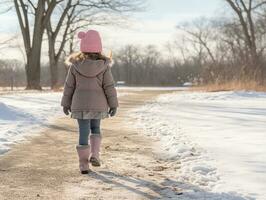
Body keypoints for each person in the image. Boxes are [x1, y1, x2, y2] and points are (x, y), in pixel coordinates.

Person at [61, 30, 118, 174]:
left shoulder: (75, 66)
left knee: (83, 132)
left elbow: (69, 86)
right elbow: (109, 86)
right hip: (98, 105)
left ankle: (83, 165)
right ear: (99, 47)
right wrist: (113, 104)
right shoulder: (104, 66)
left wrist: (65, 103)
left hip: (80, 105)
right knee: (96, 129)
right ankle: (95, 155)